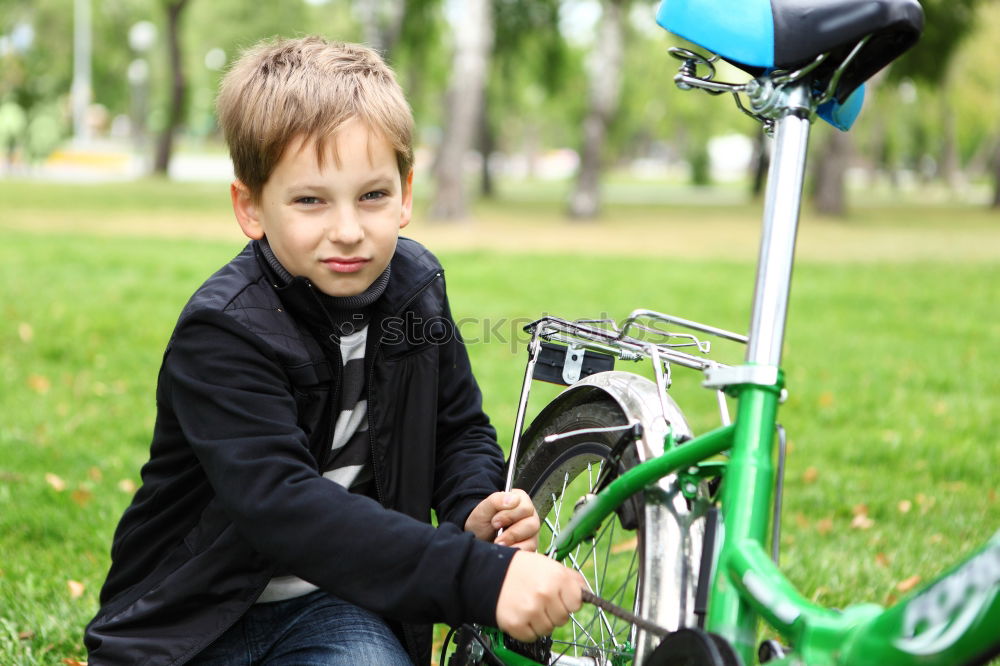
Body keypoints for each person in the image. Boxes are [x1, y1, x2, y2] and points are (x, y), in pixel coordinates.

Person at [84, 37, 584, 665]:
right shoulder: (224, 331)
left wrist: (475, 508)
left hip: (337, 601)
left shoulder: (416, 290)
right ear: (251, 207)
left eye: (372, 196)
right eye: (310, 200)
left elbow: (456, 429)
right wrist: (481, 578)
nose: (347, 229)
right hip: (189, 617)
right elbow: (283, 505)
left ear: (405, 194)